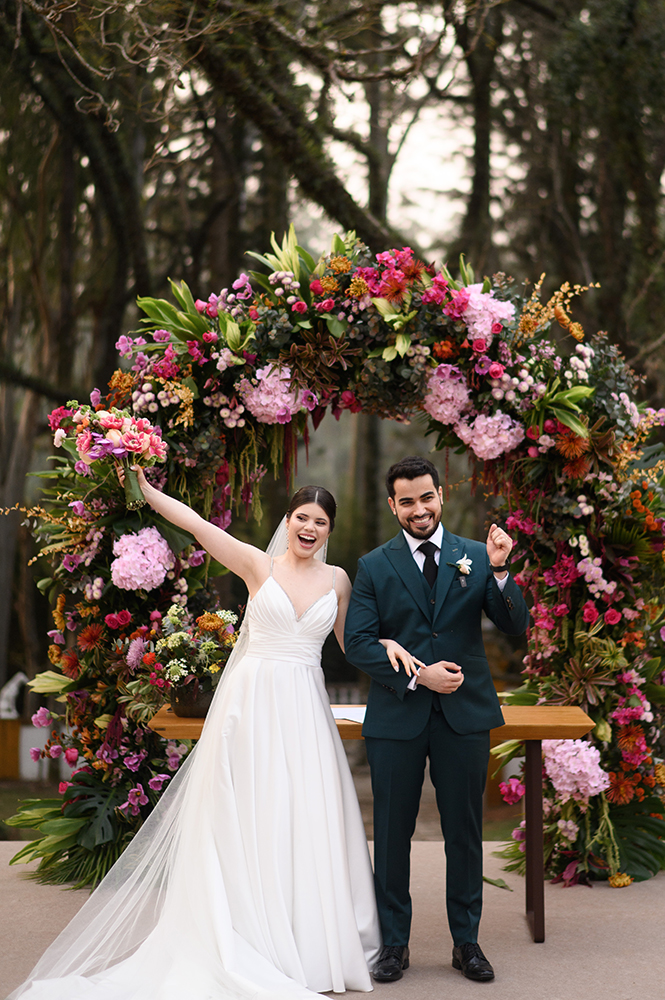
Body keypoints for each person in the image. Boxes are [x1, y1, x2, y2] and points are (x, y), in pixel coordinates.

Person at [10, 475, 381, 1000]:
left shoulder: (339, 581)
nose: (310, 528)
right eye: (303, 517)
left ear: (329, 530)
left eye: (320, 522)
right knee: (251, 812)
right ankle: (251, 933)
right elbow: (198, 525)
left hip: (305, 710)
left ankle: (307, 940)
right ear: (288, 520)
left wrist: (402, 656)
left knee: (304, 813)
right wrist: (145, 488)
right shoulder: (259, 565)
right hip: (252, 706)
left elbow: (356, 644)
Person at [344, 455, 530, 984]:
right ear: (393, 505)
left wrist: (498, 569)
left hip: (463, 716)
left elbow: (514, 624)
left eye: (426, 497)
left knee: (465, 833)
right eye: (407, 500)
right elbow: (357, 642)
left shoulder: (476, 554)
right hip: (397, 717)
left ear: (440, 495)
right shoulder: (374, 565)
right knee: (393, 832)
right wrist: (417, 676)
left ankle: (466, 943)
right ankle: (394, 945)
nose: (419, 508)